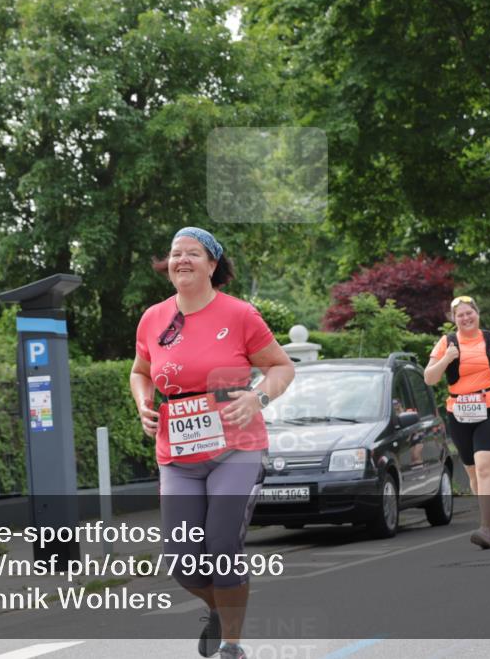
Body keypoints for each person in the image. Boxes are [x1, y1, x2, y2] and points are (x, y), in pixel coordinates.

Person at [130, 227, 295, 659]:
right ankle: (219, 609)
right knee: (183, 561)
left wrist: (257, 397)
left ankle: (231, 645)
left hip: (235, 448)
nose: (181, 260)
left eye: (193, 253)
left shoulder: (240, 314)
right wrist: (143, 402)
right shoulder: (153, 318)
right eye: (175, 254)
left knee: (222, 544)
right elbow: (140, 372)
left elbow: (282, 368)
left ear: (212, 264)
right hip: (177, 454)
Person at [424, 296, 490, 549]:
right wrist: (446, 359)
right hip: (460, 412)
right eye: (460, 315)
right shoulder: (446, 342)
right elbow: (429, 378)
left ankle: (486, 527)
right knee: (473, 474)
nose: (466, 318)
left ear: (477, 313)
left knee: (485, 466)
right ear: (453, 319)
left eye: (470, 313)